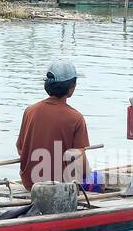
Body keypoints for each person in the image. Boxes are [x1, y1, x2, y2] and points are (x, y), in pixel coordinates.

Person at [16, 60, 89, 190]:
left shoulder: (30, 111)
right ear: (71, 87)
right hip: (59, 187)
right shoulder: (76, 118)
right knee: (83, 159)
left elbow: (20, 149)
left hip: (29, 184)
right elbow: (78, 159)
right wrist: (88, 177)